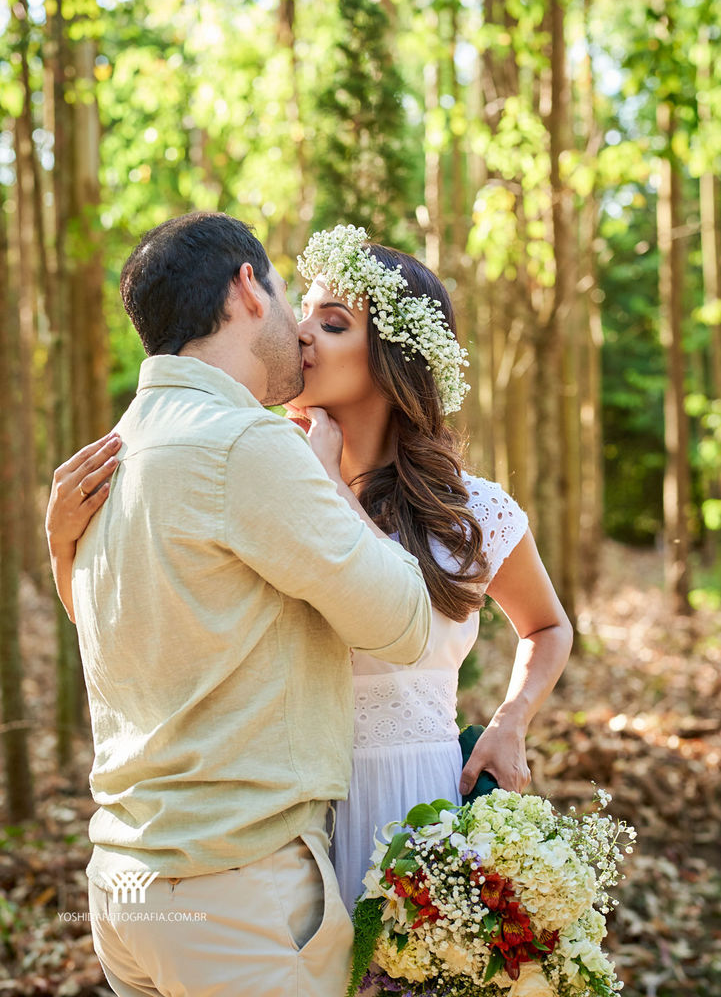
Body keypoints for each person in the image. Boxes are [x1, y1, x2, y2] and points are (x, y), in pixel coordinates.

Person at [48, 221, 572, 924]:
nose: (300, 333)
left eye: (331, 323)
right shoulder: (261, 479)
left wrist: (511, 720)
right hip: (281, 824)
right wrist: (65, 550)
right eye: (302, 312)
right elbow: (155, 625)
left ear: (392, 358)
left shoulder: (472, 510)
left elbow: (545, 624)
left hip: (423, 801)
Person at [45, 212, 433, 997]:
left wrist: (59, 552)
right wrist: (325, 477)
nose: (300, 333)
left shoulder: (116, 454)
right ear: (249, 288)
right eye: (290, 299)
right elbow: (403, 624)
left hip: (125, 889)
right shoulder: (245, 443)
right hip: (230, 893)